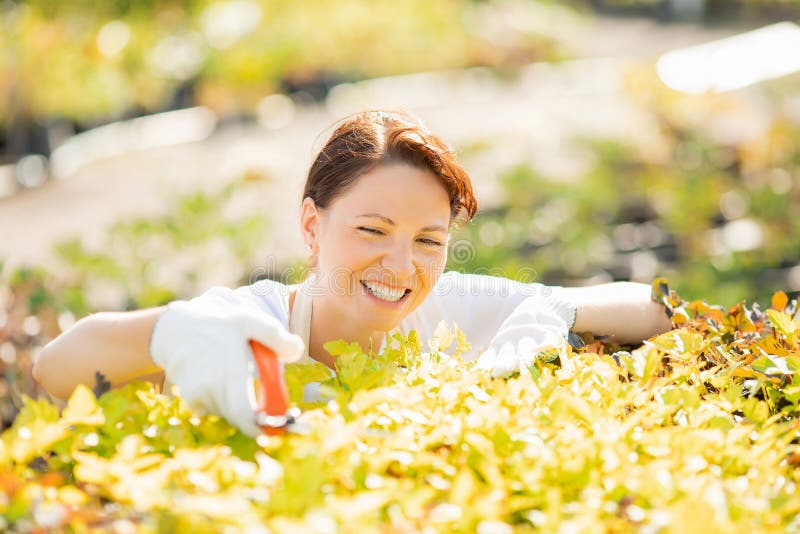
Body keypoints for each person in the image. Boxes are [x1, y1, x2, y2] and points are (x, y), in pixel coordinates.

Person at [33, 110, 672, 437]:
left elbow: (653, 306)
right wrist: (168, 333)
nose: (401, 266)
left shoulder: (450, 305)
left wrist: (549, 316)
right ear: (312, 227)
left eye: (429, 240)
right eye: (372, 230)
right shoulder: (252, 323)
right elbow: (56, 368)